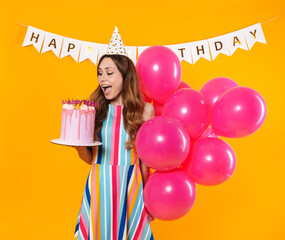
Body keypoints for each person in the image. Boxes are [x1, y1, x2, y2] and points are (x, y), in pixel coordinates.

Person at [73, 26, 155, 240]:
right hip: (100, 180)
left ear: (125, 76)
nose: (102, 79)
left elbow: (146, 159)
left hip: (131, 182)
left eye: (109, 73)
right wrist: (79, 146)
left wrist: (149, 196)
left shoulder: (145, 110)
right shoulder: (94, 109)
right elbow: (90, 159)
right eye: (100, 73)